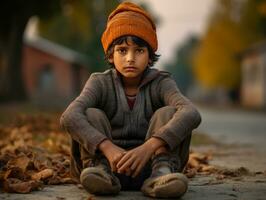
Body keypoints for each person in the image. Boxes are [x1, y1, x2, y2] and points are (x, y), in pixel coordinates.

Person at [60, 1, 201, 198]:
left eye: (139, 51)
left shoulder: (161, 82)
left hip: (151, 167)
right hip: (108, 165)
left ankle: (161, 175)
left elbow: (191, 113)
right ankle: (100, 173)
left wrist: (149, 147)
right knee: (90, 113)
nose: (130, 58)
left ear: (150, 54)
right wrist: (107, 148)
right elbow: (69, 116)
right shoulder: (99, 82)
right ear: (111, 55)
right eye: (122, 50)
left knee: (169, 112)